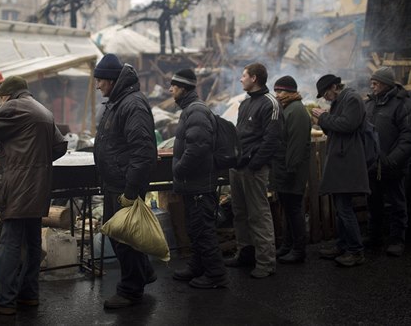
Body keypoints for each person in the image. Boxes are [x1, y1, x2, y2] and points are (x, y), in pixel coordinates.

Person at [0, 75, 67, 315]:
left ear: (6, 95)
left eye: (0, 99)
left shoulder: (14, 107)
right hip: (40, 186)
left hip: (19, 186)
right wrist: (38, 162)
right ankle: (28, 295)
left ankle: (2, 300)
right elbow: (60, 147)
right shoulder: (43, 110)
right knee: (31, 242)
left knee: (9, 243)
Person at [92, 53, 157, 308]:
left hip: (124, 185)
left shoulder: (132, 104)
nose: (97, 85)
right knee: (118, 234)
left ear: (111, 80)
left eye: (100, 80)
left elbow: (142, 151)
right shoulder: (118, 102)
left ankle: (131, 290)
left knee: (125, 238)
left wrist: (131, 189)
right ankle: (145, 273)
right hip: (114, 183)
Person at [168, 69, 228, 288]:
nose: (170, 89)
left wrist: (180, 170)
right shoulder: (191, 110)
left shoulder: (196, 112)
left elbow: (198, 147)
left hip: (199, 184)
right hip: (194, 184)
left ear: (183, 89)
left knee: (203, 230)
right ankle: (198, 266)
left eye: (173, 86)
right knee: (195, 229)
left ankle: (215, 274)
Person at [226, 62, 282, 279]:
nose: (241, 79)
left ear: (254, 78)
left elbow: (272, 139)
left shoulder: (270, 104)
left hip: (254, 169)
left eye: (244, 75)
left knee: (259, 215)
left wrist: (255, 163)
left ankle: (266, 263)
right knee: (240, 213)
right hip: (239, 167)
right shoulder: (246, 103)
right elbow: (241, 135)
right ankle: (245, 254)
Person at [312, 74, 369, 267]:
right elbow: (333, 128)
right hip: (341, 160)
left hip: (348, 161)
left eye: (326, 93)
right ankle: (343, 245)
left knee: (344, 209)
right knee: (341, 208)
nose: (325, 97)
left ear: (335, 87)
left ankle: (355, 251)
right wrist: (324, 121)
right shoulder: (340, 100)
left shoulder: (352, 99)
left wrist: (324, 117)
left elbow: (347, 125)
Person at [364, 67, 411, 257]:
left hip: (393, 165)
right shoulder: (369, 104)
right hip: (373, 165)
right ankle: (374, 236)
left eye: (375, 83)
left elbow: (407, 136)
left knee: (396, 204)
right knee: (373, 202)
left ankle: (397, 239)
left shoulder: (403, 105)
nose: (372, 86)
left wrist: (392, 160)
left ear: (386, 84)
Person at [269, 76, 311, 264]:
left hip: (291, 170)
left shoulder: (296, 111)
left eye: (280, 91)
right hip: (283, 168)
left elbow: (296, 144)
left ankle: (299, 250)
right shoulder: (286, 109)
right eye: (276, 91)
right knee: (287, 209)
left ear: (290, 92)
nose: (277, 94)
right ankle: (287, 246)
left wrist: (290, 169)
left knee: (294, 210)